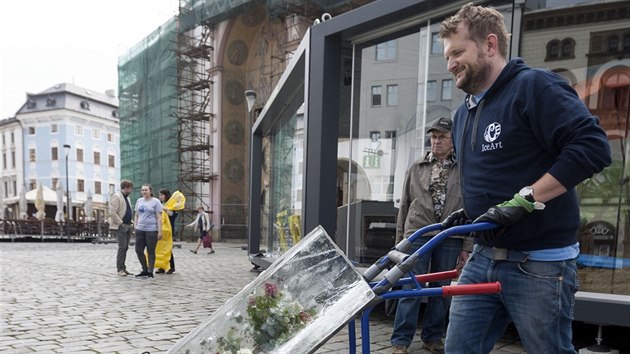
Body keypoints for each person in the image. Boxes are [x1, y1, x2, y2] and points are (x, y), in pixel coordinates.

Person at [438, 4, 612, 353]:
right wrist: (470, 213)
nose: (450, 63)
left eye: (458, 52)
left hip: (540, 262)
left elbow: (592, 147)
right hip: (483, 257)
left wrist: (526, 199)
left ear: (490, 45)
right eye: (447, 56)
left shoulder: (534, 86)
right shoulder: (462, 115)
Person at [390, 117, 471, 354]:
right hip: (418, 234)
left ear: (453, 140)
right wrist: (399, 243)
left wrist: (467, 244)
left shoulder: (464, 169)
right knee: (410, 288)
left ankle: (433, 338)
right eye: (433, 137)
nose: (436, 141)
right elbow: (404, 205)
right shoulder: (417, 167)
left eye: (442, 137)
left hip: (450, 236)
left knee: (441, 289)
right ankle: (400, 341)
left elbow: (470, 208)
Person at [133, 184, 162, 278]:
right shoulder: (139, 201)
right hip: (140, 229)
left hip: (151, 230)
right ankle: (144, 269)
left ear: (150, 191)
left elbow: (159, 217)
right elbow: (136, 215)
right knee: (138, 250)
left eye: (146, 190)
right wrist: (135, 226)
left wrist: (160, 231)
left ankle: (150, 271)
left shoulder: (156, 201)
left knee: (151, 251)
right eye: (142, 190)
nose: (144, 192)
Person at [109, 180, 134, 276]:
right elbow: (112, 212)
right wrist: (121, 223)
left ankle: (123, 267)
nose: (131, 190)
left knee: (125, 247)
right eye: (130, 188)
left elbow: (127, 210)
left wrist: (131, 221)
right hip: (121, 226)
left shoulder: (127, 198)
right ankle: (120, 269)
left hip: (128, 225)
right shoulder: (116, 196)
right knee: (122, 247)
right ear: (127, 187)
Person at [155, 189, 177, 274]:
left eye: (161, 195)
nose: (160, 197)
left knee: (167, 248)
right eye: (159, 195)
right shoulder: (159, 204)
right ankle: (162, 267)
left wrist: (166, 209)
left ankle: (171, 267)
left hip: (168, 229)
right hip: (160, 229)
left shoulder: (171, 204)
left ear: (166, 195)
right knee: (160, 248)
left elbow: (174, 215)